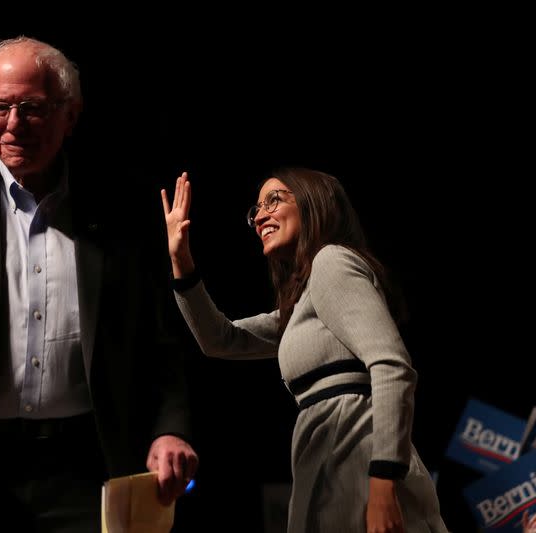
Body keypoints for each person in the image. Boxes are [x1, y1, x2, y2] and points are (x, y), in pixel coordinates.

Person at [0, 36, 198, 532]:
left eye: (33, 108)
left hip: (88, 468)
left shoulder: (122, 206)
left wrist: (170, 429)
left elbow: (165, 340)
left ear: (71, 114)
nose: (14, 124)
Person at [161, 169, 447, 532]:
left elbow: (392, 366)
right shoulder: (301, 304)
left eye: (274, 200)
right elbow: (221, 340)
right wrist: (181, 260)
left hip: (359, 456)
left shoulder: (331, 262)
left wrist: (382, 482)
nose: (260, 215)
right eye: (256, 210)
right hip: (328, 462)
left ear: (313, 203)